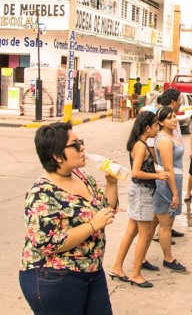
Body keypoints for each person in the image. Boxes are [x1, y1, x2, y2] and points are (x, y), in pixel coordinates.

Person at [19, 122, 118, 313]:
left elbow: (106, 211)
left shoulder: (82, 176)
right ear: (56, 156)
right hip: (54, 276)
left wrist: (111, 183)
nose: (82, 148)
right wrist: (91, 225)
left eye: (80, 142)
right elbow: (47, 243)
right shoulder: (41, 194)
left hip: (92, 270)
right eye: (75, 145)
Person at [110, 112, 169, 288]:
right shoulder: (141, 146)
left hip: (139, 192)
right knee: (145, 234)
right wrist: (158, 175)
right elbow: (135, 173)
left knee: (132, 231)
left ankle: (117, 267)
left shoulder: (139, 144)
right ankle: (135, 274)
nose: (158, 128)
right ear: (147, 127)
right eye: (156, 125)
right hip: (142, 192)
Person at [151, 106, 186, 271]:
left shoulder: (172, 135)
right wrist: (175, 193)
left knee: (154, 222)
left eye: (174, 116)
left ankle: (141, 255)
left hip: (173, 181)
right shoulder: (164, 140)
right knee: (166, 225)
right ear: (161, 122)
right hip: (167, 184)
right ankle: (168, 259)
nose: (174, 120)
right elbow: (168, 169)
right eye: (169, 118)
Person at [148, 89, 185, 241]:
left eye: (174, 117)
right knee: (162, 218)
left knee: (161, 217)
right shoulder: (160, 131)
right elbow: (152, 148)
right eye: (179, 100)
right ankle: (161, 240)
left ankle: (160, 233)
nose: (181, 103)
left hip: (173, 176)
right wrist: (161, 165)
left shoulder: (172, 128)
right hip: (166, 178)